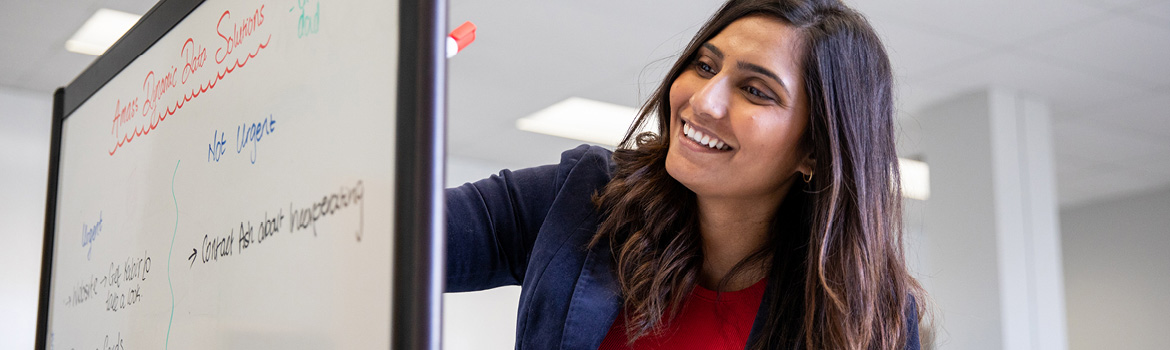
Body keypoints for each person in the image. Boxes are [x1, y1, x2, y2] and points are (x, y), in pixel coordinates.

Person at [445, 0, 928, 348]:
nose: (702, 101)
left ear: (816, 152)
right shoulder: (578, 200)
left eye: (756, 91)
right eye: (704, 65)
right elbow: (389, 232)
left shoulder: (866, 316)